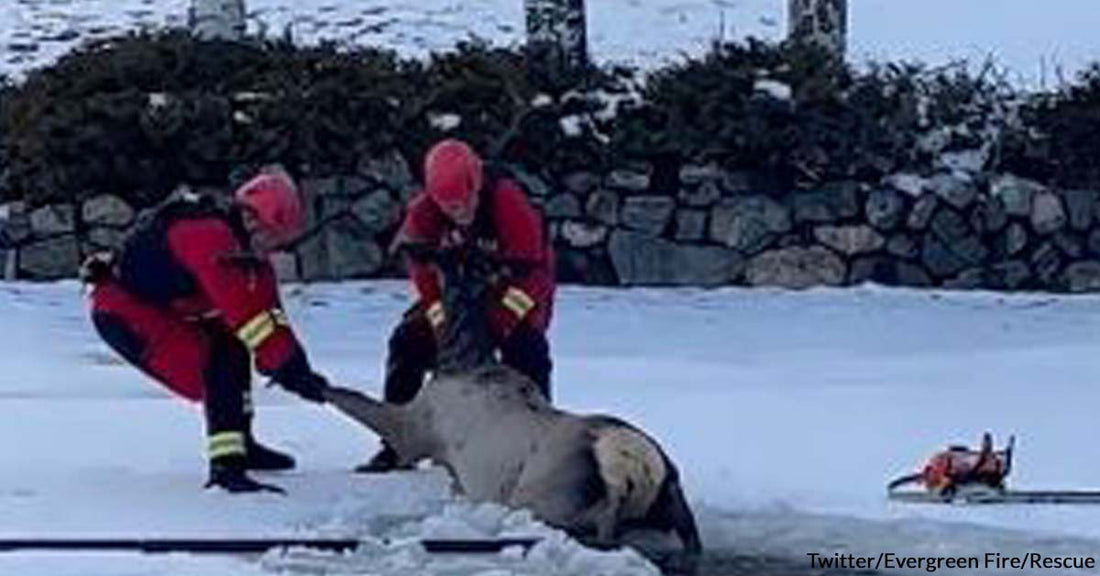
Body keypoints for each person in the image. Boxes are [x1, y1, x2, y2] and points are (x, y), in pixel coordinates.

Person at [80, 168, 330, 493]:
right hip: (125, 314)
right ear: (252, 220)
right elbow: (244, 313)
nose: (275, 248)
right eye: (272, 237)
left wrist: (297, 366)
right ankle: (226, 468)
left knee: (231, 348)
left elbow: (270, 314)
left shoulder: (247, 252)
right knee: (217, 364)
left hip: (166, 310)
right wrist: (284, 365)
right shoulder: (206, 237)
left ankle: (242, 444)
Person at [358, 139, 556, 473]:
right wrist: (442, 326)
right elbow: (424, 278)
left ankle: (540, 444)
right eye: (449, 207)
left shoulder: (509, 203)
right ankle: (397, 442)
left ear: (477, 185)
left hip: (512, 295)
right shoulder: (422, 214)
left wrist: (499, 323)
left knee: (529, 352)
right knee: (407, 342)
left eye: (465, 203)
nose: (459, 212)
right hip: (454, 297)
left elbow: (534, 276)